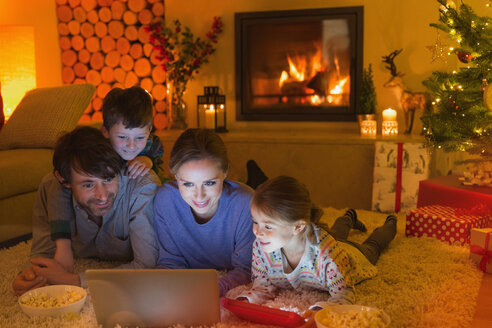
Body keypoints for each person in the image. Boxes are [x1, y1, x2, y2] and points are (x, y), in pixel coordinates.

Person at [12, 126, 160, 296]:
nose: (102, 196)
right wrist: (30, 277)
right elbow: (42, 256)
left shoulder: (142, 188)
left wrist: (73, 280)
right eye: (88, 185)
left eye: (109, 179)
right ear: (64, 181)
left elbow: (148, 266)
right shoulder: (51, 190)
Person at [237, 175, 397, 309]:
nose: (257, 231)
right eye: (255, 222)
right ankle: (348, 218)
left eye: (268, 226)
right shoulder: (261, 245)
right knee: (336, 233)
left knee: (373, 246)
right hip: (324, 240)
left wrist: (323, 309)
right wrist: (248, 300)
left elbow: (344, 293)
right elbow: (262, 283)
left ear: (297, 227)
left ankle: (391, 223)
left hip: (352, 255)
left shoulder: (326, 255)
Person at [51, 86, 165, 273]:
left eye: (139, 138)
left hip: (142, 184)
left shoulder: (149, 147)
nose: (131, 145)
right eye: (122, 137)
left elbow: (155, 154)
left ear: (149, 131)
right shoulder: (96, 149)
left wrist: (147, 159)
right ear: (105, 131)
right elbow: (59, 183)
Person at [153, 128, 255, 297]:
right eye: (188, 184)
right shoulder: (166, 200)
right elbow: (170, 262)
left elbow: (246, 269)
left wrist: (211, 289)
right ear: (175, 176)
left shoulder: (246, 203)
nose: (199, 196)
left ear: (225, 172)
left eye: (209, 183)